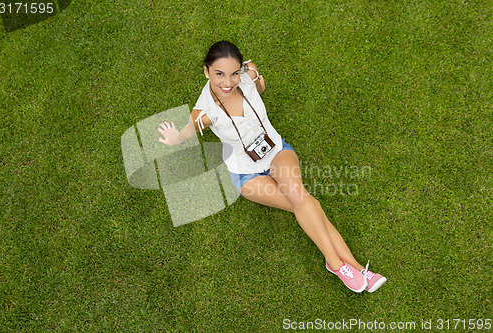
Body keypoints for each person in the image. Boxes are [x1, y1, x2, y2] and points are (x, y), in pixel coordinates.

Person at [157, 41, 386, 293]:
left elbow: (255, 83)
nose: (227, 82)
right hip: (247, 174)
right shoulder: (205, 114)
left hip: (276, 151)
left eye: (234, 73)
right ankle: (350, 268)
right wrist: (173, 138)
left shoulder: (249, 75)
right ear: (206, 71)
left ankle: (344, 266)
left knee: (301, 198)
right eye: (219, 74)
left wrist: (256, 86)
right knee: (306, 205)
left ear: (241, 69)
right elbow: (184, 134)